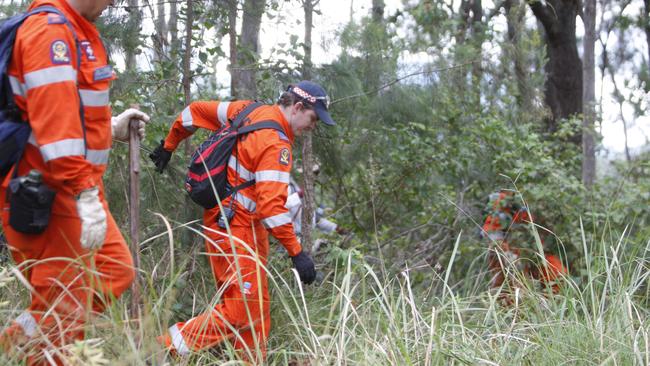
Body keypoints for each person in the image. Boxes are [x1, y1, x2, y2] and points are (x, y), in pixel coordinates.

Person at [0, 0, 149, 363]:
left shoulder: (77, 28)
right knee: (64, 312)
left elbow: (68, 108)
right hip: (53, 194)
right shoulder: (50, 32)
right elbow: (56, 131)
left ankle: (12, 344)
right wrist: (84, 192)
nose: (115, 2)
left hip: (78, 190)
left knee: (114, 271)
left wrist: (110, 129)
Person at [149, 81, 335, 360]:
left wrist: (169, 144)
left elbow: (193, 112)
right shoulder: (277, 143)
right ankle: (161, 350)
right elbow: (272, 208)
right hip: (234, 228)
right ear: (298, 107)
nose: (313, 126)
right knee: (240, 310)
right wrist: (297, 253)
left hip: (238, 225)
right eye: (313, 118)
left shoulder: (248, 110)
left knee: (255, 310)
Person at [481, 190, 567, 296]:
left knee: (558, 277)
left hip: (538, 254)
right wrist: (510, 257)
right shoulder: (504, 200)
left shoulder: (546, 197)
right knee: (510, 290)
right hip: (513, 257)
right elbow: (493, 236)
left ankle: (547, 307)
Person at [285, 166, 346, 237]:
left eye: (315, 174)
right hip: (290, 238)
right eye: (310, 174)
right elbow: (283, 205)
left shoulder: (308, 192)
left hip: (304, 239)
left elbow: (314, 219)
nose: (313, 177)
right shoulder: (290, 187)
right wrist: (300, 194)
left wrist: (336, 228)